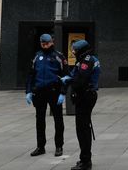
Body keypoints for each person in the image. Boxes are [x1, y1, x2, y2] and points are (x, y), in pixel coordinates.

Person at [26, 33, 68, 157]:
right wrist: (28, 91)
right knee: (39, 120)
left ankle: (59, 146)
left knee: (58, 119)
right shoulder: (37, 56)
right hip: (39, 92)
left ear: (52, 42)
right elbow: (30, 75)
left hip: (54, 91)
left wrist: (63, 92)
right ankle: (40, 146)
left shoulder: (59, 56)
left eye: (47, 43)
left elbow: (66, 75)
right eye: (42, 43)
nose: (44, 45)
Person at [61, 39, 100, 170]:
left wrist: (70, 80)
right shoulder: (84, 59)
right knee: (82, 128)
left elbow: (81, 80)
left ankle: (85, 161)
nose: (73, 52)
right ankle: (84, 158)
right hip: (85, 95)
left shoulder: (87, 60)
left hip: (86, 96)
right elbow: (75, 75)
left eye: (75, 50)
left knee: (83, 129)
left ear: (81, 50)